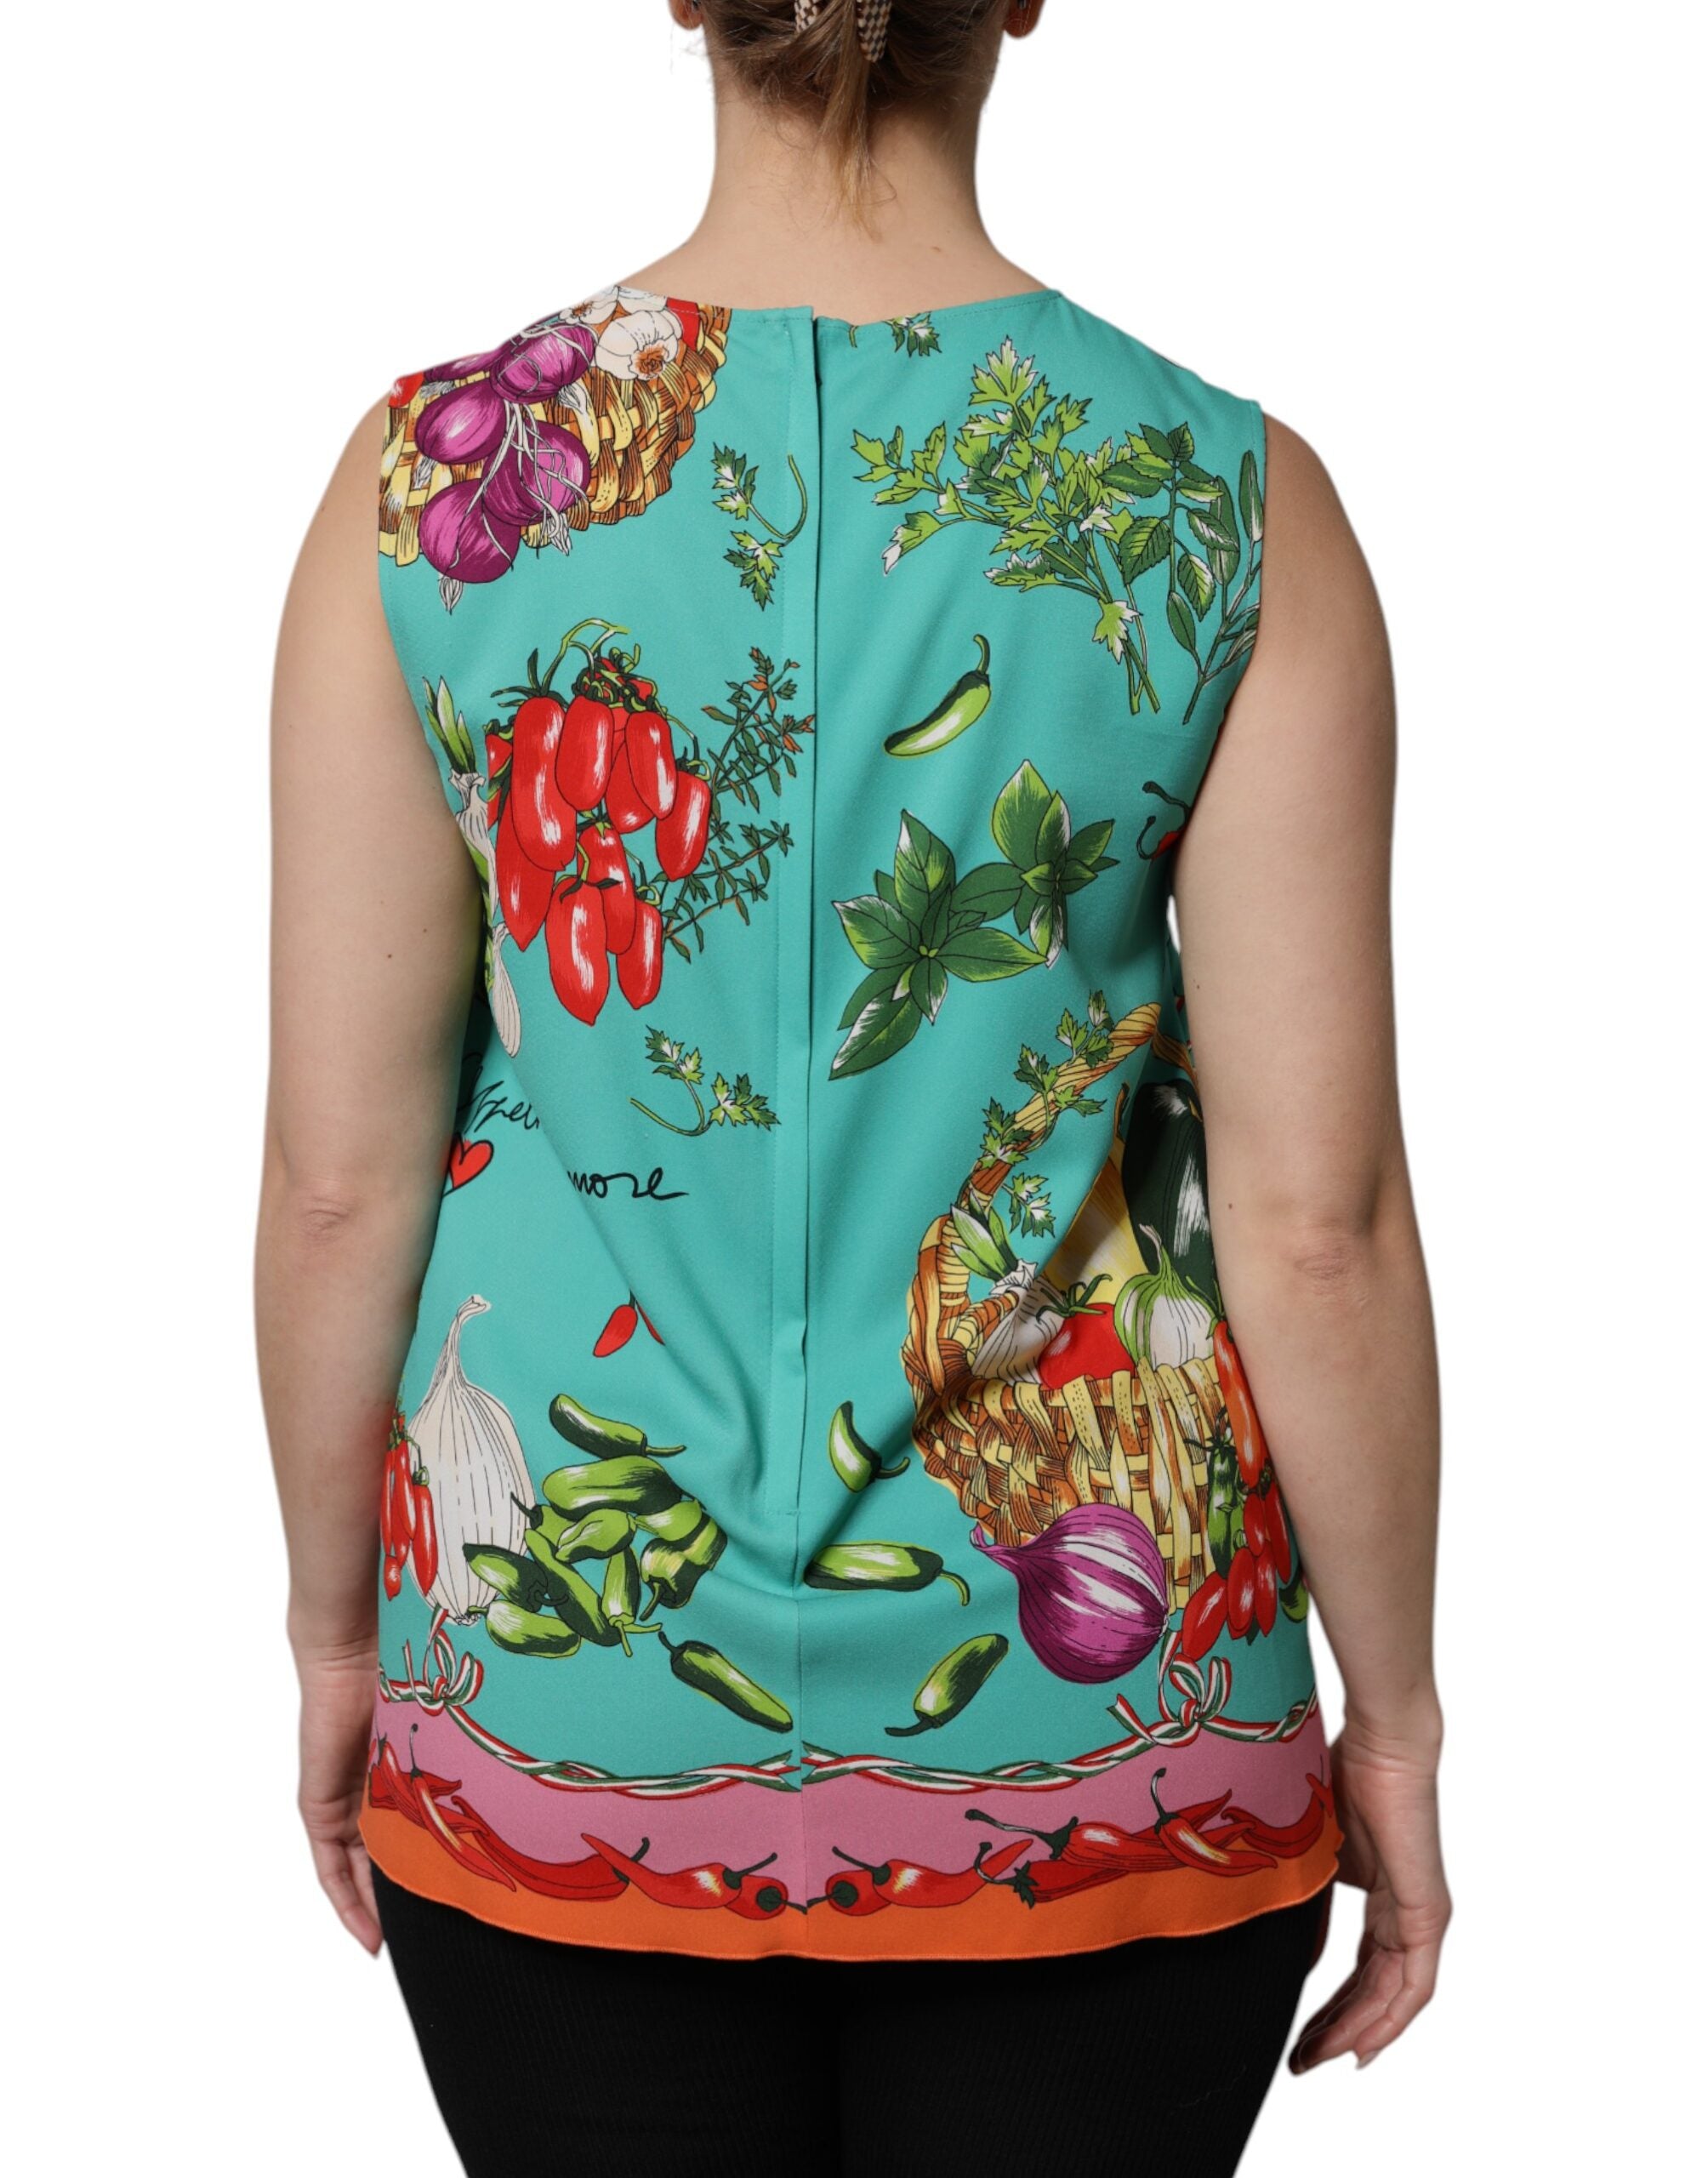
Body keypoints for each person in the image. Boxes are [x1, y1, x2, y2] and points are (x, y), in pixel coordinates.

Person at [256, 3, 1450, 2169]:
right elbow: (1315, 1223)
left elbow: (342, 1181)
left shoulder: (428, 483)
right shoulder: (1221, 491)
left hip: (562, 1691)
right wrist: (1395, 1714)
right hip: (1101, 1720)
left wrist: (335, 1634)